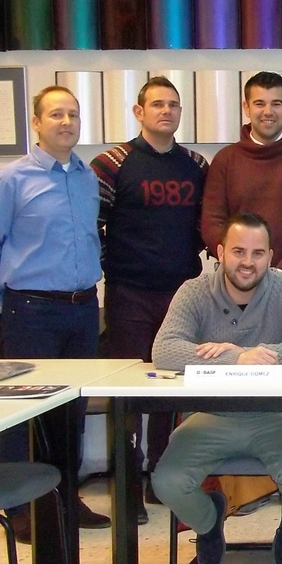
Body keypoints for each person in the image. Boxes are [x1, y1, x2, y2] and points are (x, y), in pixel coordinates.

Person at [150, 213, 282, 564]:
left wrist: (259, 354)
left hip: (276, 417)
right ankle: (208, 522)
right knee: (167, 482)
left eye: (258, 253)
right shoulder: (194, 291)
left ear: (270, 256)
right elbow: (165, 350)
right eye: (238, 251)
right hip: (210, 416)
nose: (248, 262)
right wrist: (236, 358)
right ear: (220, 252)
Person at [0, 85, 110, 542]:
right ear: (36, 123)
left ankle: (64, 496)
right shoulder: (9, 180)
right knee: (23, 411)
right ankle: (19, 508)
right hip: (30, 310)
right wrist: (10, 302)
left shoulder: (87, 178)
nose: (66, 122)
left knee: (71, 410)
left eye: (73, 114)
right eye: (56, 114)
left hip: (81, 309)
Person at [92, 76, 209, 523]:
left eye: (173, 105)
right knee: (129, 393)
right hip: (130, 295)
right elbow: (91, 227)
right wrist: (114, 267)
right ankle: (127, 488)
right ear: (139, 112)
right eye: (157, 104)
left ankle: (162, 478)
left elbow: (204, 225)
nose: (166, 111)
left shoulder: (196, 165)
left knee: (172, 390)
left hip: (182, 294)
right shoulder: (112, 164)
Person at [201, 71, 282, 305]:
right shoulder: (226, 160)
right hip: (238, 285)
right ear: (246, 107)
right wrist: (243, 268)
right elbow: (212, 222)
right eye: (259, 103)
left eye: (276, 103)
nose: (268, 111)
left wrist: (280, 274)